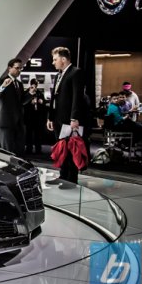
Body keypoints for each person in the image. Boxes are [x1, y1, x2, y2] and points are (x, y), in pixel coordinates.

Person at [46, 47, 86, 185]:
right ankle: (63, 177)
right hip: (57, 119)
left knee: (71, 150)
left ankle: (71, 180)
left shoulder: (75, 73)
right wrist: (50, 118)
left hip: (69, 120)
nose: (53, 62)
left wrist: (74, 118)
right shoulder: (58, 75)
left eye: (55, 59)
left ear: (63, 59)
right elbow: (54, 98)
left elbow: (77, 97)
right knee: (61, 150)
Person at [0, 58, 26, 156]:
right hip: (6, 122)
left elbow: (22, 101)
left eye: (21, 68)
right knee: (7, 153)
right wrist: (3, 86)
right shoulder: (2, 81)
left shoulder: (19, 84)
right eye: (17, 68)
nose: (19, 70)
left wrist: (31, 93)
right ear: (9, 68)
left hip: (18, 123)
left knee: (18, 152)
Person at [23, 78, 46, 154]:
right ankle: (29, 148)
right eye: (34, 85)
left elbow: (44, 103)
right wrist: (30, 102)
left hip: (37, 116)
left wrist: (42, 102)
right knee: (29, 133)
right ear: (31, 84)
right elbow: (23, 103)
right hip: (29, 116)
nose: (35, 87)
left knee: (38, 134)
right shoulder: (26, 92)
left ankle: (38, 149)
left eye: (36, 85)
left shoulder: (39, 93)